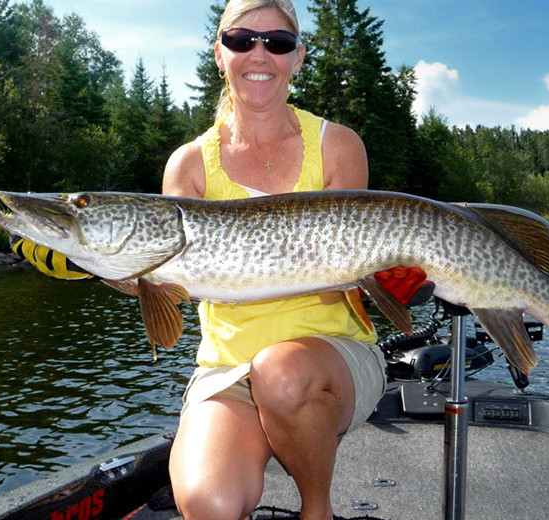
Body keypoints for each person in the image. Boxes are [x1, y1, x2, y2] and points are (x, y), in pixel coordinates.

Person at [160, 2, 418, 519]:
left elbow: (353, 279)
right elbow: (169, 293)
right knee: (209, 503)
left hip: (331, 355)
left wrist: (403, 276)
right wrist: (109, 268)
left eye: (277, 42)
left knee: (281, 371)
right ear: (220, 54)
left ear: (297, 57)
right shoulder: (188, 164)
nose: (259, 53)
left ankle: (316, 510)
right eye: (241, 40)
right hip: (228, 365)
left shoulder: (338, 146)